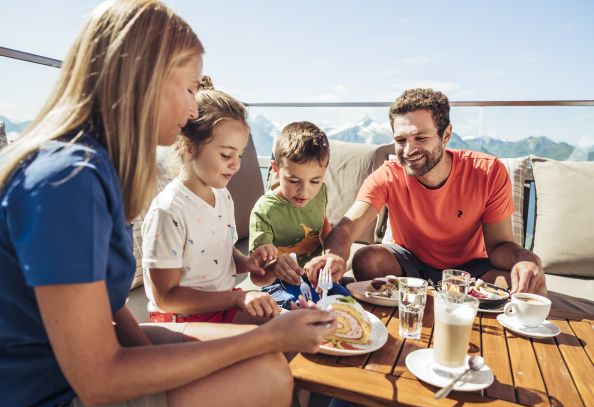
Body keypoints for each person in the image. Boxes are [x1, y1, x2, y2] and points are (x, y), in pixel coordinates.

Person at [0, 2, 336, 407]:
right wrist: (266, 335)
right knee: (267, 375)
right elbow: (98, 379)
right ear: (146, 79)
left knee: (267, 358)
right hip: (38, 404)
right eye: (191, 89)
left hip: (77, 369)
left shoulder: (97, 168)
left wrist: (153, 355)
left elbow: (109, 302)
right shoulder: (67, 182)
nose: (195, 110)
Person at [305, 88, 547, 296]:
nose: (409, 150)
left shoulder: (488, 171)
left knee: (520, 287)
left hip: (471, 269)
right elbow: (347, 228)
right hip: (410, 263)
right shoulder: (388, 175)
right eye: (401, 140)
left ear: (446, 135)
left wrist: (524, 259)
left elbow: (499, 246)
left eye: (421, 138)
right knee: (367, 260)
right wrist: (334, 255)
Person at [142, 76, 281, 324]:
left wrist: (250, 263)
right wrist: (236, 299)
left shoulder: (222, 196)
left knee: (292, 326)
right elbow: (166, 298)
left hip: (221, 306)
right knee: (275, 341)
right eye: (227, 154)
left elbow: (222, 257)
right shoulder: (168, 211)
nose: (236, 164)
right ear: (188, 146)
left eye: (239, 155)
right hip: (183, 320)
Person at [249, 121, 350, 309]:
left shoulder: (321, 192)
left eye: (315, 180)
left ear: (325, 171)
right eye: (294, 180)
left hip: (317, 279)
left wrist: (329, 256)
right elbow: (257, 276)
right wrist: (273, 266)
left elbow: (323, 225)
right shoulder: (264, 210)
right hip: (279, 284)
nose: (304, 191)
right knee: (299, 308)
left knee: (346, 303)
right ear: (277, 170)